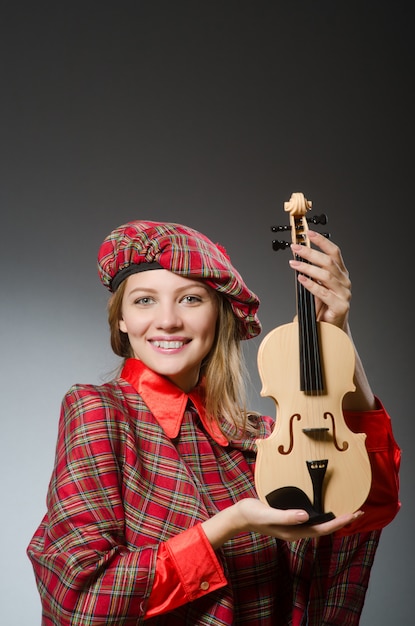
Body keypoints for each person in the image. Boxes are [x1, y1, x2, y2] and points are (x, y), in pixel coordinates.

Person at [27, 219, 400, 625]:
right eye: (144, 301)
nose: (167, 321)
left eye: (190, 299)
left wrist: (337, 332)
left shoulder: (263, 437)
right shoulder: (98, 411)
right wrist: (230, 524)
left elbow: (367, 509)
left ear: (220, 316)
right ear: (121, 320)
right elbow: (77, 602)